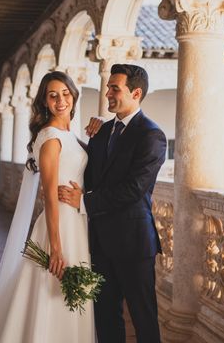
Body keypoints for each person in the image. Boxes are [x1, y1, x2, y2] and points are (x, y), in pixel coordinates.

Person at [0, 71, 94, 343]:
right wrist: (56, 248)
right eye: (53, 95)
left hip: (76, 222)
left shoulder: (68, 134)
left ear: (73, 95)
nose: (60, 100)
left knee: (70, 295)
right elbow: (49, 196)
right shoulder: (50, 137)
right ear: (45, 102)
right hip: (58, 226)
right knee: (50, 294)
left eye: (64, 93)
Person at [59, 64, 167, 343]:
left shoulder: (152, 135)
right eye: (108, 87)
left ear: (136, 92)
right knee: (106, 317)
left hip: (134, 243)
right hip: (100, 241)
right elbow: (91, 170)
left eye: (114, 88)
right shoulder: (103, 131)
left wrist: (85, 202)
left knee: (144, 320)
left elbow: (134, 189)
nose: (107, 92)